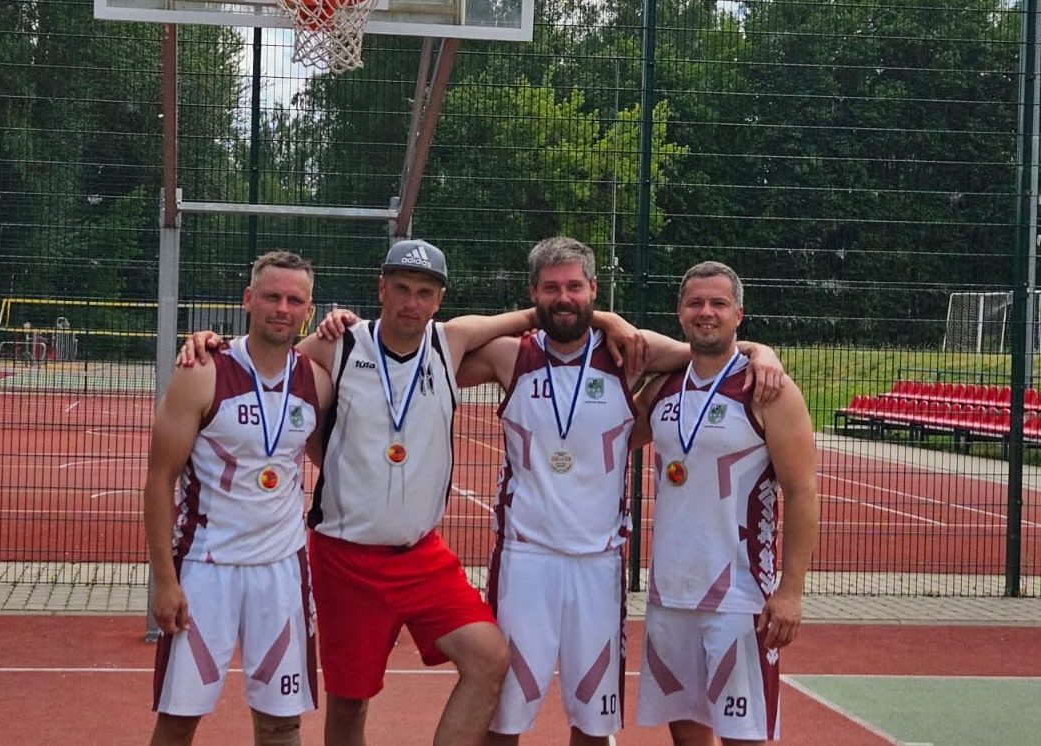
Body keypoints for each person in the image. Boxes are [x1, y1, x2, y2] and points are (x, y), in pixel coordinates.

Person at [181, 239, 647, 746]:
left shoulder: (452, 342)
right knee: (350, 700)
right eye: (401, 289)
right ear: (381, 288)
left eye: (424, 292)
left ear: (439, 299)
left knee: (489, 658)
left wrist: (608, 321)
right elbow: (268, 358)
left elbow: (543, 314)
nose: (411, 302)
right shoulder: (340, 344)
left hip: (421, 554)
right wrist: (213, 344)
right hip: (346, 556)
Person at [452, 239, 784, 746]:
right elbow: (442, 349)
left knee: (594, 722)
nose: (564, 298)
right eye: (550, 289)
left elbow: (712, 350)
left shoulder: (629, 353)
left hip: (599, 564)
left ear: (594, 289)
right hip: (526, 561)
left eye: (574, 287)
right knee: (504, 717)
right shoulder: (510, 356)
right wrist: (546, 318)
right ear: (533, 293)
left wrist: (763, 351)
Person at [144, 251, 334, 746]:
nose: (282, 309)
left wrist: (347, 325)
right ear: (248, 299)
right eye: (271, 296)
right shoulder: (203, 370)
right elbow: (160, 479)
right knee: (179, 719)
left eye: (295, 300)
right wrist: (164, 581)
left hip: (281, 570)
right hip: (207, 567)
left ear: (309, 310)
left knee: (281, 723)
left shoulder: (316, 380)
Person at [631, 261, 819, 745]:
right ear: (679, 312)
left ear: (739, 314)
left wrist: (791, 591)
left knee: (743, 736)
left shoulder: (769, 390)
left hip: (738, 596)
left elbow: (802, 492)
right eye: (695, 303)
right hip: (670, 592)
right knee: (686, 734)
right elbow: (615, 430)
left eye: (718, 303)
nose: (706, 312)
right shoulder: (664, 388)